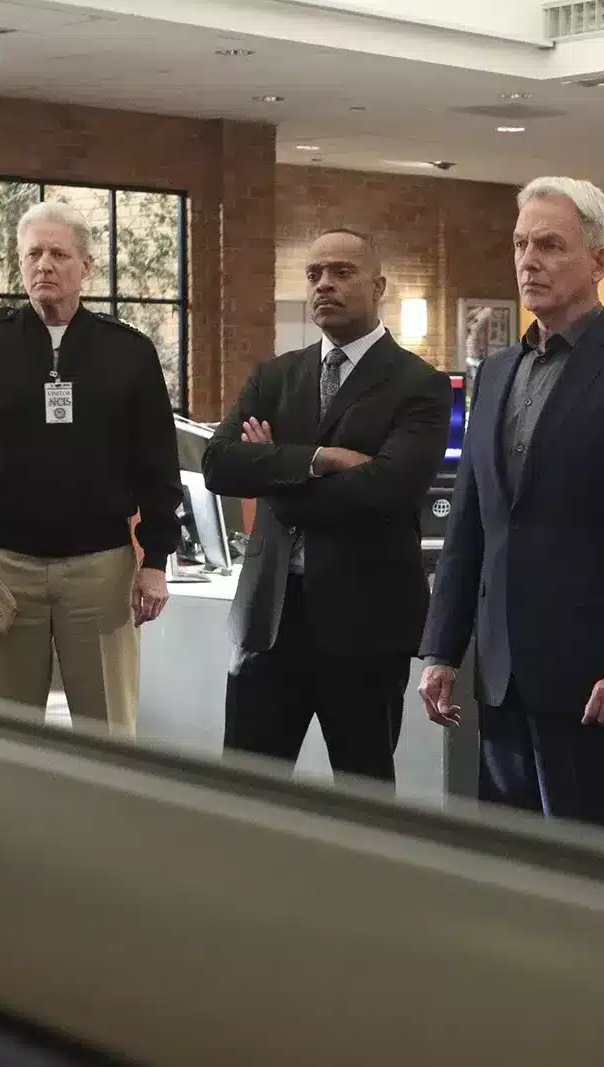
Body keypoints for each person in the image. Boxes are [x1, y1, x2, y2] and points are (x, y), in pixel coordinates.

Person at [417, 177, 604, 828]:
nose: (528, 261)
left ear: (599, 260)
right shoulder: (494, 372)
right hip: (502, 677)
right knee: (511, 865)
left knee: (589, 868)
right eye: (520, 245)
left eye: (549, 245)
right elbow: (471, 525)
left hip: (598, 681)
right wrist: (441, 650)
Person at [0, 200, 181, 734]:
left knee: (108, 730)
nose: (44, 265)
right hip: (4, 567)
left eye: (58, 254)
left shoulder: (128, 351)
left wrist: (156, 558)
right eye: (32, 254)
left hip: (100, 568)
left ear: (86, 266)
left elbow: (157, 463)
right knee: (10, 732)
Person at [202, 229, 450, 782]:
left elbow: (390, 489)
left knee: (362, 798)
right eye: (314, 274)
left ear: (378, 286)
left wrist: (274, 473)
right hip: (271, 619)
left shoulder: (419, 384)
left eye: (341, 272)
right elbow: (218, 464)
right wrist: (320, 458)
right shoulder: (275, 376)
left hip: (365, 628)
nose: (324, 285)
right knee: (246, 794)